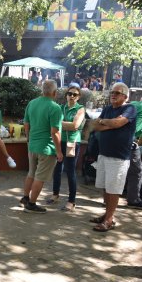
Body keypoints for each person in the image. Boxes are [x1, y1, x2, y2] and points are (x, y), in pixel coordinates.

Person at [89, 82, 136, 232]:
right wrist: (111, 124)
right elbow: (95, 126)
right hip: (103, 154)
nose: (113, 95)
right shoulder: (108, 109)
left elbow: (118, 122)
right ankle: (107, 215)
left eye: (117, 93)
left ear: (125, 96)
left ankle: (109, 220)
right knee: (105, 186)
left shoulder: (130, 108)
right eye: (112, 93)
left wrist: (108, 123)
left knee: (113, 189)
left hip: (119, 157)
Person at [19, 80, 63, 213]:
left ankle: (26, 198)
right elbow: (55, 132)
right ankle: (31, 205)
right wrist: (59, 151)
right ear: (55, 93)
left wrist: (29, 139)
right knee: (40, 177)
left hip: (33, 145)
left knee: (31, 173)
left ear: (42, 90)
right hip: (47, 148)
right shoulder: (55, 108)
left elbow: (26, 125)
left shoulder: (32, 103)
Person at [46, 83, 85, 212]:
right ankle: (55, 195)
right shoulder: (60, 108)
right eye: (69, 94)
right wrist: (63, 125)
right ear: (66, 95)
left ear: (78, 97)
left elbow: (75, 125)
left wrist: (57, 123)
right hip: (59, 141)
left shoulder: (80, 109)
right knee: (56, 169)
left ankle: (71, 201)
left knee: (70, 171)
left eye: (75, 94)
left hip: (72, 143)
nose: (72, 96)